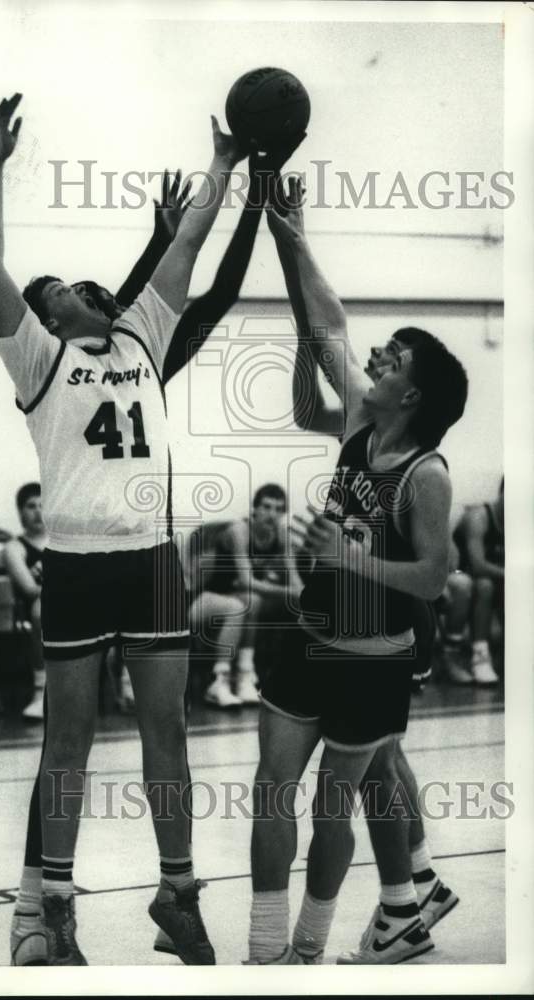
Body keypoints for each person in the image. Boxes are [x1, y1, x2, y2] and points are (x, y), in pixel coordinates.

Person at [0, 92, 249, 966]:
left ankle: (178, 894)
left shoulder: (142, 338)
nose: (78, 289)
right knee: (71, 740)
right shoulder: (39, 360)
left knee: (168, 731)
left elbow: (190, 243)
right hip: (79, 565)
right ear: (50, 319)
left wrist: (223, 166)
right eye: (58, 291)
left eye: (77, 284)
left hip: (152, 561)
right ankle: (52, 907)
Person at [246, 176, 468, 966]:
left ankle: (336, 934)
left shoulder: (426, 474)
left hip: (377, 650)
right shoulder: (359, 422)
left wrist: (352, 559)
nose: (376, 357)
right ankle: (272, 947)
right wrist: (289, 234)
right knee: (274, 785)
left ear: (411, 394)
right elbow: (328, 325)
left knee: (344, 799)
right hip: (311, 632)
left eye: (394, 356)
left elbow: (435, 580)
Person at [188, 484, 302, 708]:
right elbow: (246, 580)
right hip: (204, 597)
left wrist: (303, 595)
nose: (272, 514)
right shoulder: (239, 530)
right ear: (255, 509)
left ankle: (245, 677)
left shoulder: (282, 535)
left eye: (279, 509)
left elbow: (295, 579)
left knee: (253, 601)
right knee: (239, 605)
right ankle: (217, 682)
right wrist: (290, 592)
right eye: (267, 507)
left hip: (238, 596)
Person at [448, 479, 504, 685]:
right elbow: (478, 565)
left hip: (494, 577)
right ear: (502, 494)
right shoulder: (479, 517)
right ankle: (480, 654)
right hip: (459, 574)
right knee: (484, 585)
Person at [4, 482, 48, 719]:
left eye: (44, 505)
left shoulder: (65, 541)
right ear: (21, 512)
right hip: (35, 608)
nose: (38, 512)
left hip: (75, 603)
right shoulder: (14, 547)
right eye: (31, 506)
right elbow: (30, 589)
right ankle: (41, 692)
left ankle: (127, 687)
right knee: (43, 609)